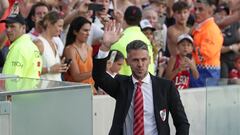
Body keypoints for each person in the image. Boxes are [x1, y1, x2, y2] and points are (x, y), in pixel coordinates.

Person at [93, 21, 189, 135]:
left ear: (149, 60)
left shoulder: (166, 87)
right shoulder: (121, 85)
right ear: (127, 62)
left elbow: (182, 123)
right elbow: (99, 77)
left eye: (143, 59)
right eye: (135, 60)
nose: (140, 64)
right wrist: (105, 47)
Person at [111, 6, 155, 76]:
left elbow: (110, 67)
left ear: (124, 18)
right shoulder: (146, 40)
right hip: (147, 84)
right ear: (140, 20)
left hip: (123, 84)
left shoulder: (117, 40)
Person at [190, 0, 223, 87]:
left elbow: (204, 55)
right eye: (195, 9)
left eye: (200, 9)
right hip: (202, 72)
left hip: (207, 73)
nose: (196, 12)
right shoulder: (202, 27)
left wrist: (191, 49)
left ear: (210, 11)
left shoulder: (211, 30)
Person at [0, 13, 42, 78]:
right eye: (7, 26)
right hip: (31, 87)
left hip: (19, 87)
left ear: (23, 28)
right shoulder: (30, 45)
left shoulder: (19, 48)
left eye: (12, 26)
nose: (8, 30)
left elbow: (13, 80)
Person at [34, 11, 68, 81]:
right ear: (49, 24)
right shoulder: (38, 43)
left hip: (56, 87)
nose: (61, 30)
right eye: (59, 26)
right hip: (43, 89)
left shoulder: (55, 43)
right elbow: (30, 69)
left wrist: (61, 66)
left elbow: (54, 67)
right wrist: (50, 69)